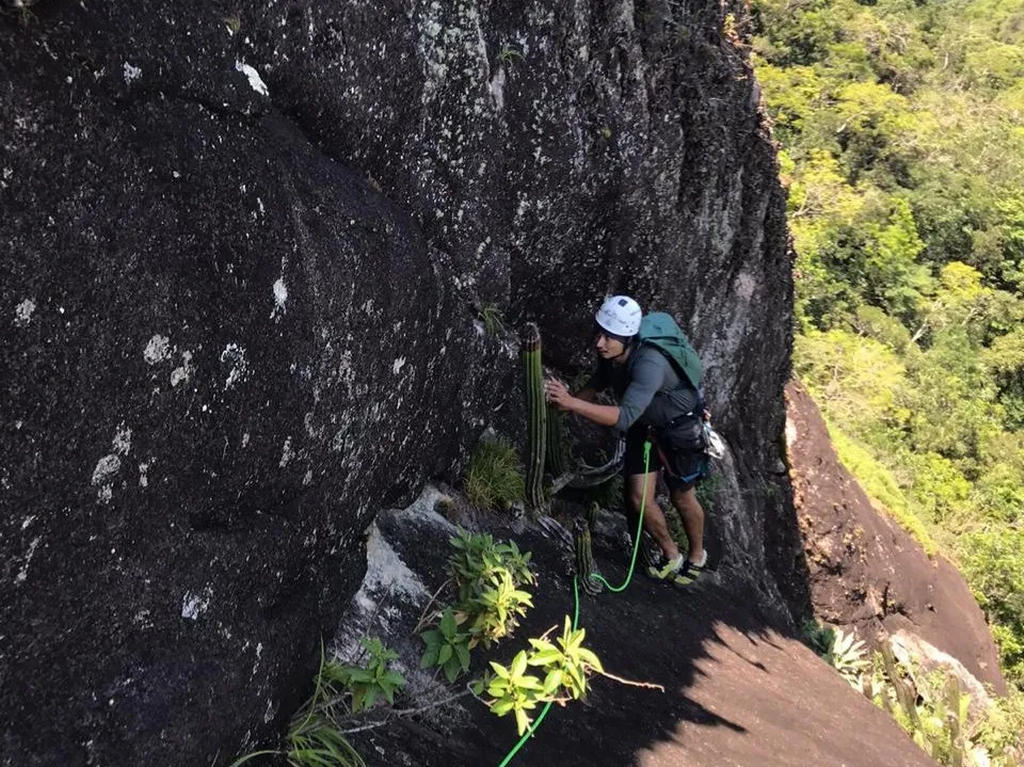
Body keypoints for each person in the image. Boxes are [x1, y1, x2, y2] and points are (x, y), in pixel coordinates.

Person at [543, 295, 708, 586]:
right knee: (638, 497)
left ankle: (696, 555)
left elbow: (624, 417)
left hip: (679, 428)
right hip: (645, 426)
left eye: (608, 337)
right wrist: (560, 406)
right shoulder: (611, 355)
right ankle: (671, 554)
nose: (599, 342)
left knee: (682, 496)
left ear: (628, 339)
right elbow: (597, 384)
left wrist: (570, 403)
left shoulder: (650, 363)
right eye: (599, 333)